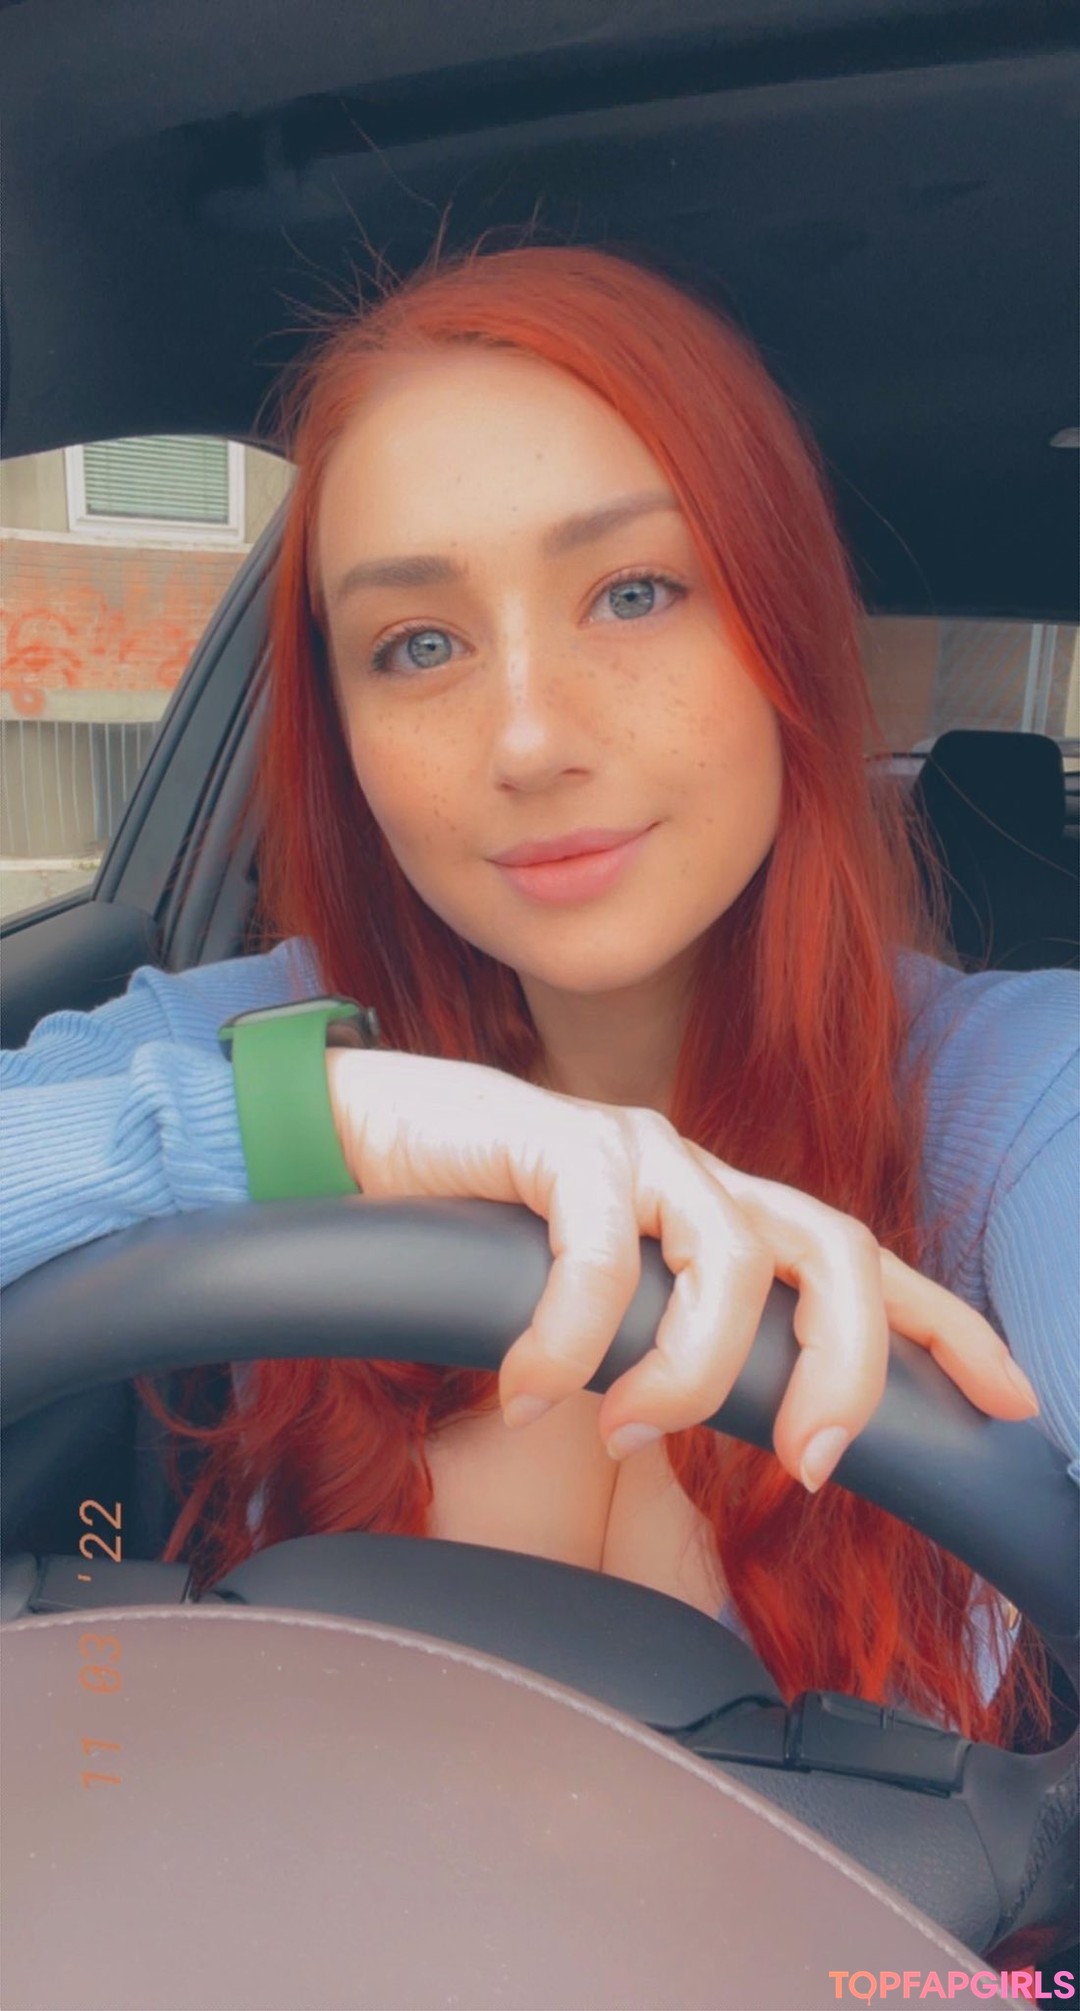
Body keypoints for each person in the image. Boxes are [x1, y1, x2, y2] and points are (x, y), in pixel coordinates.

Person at [3, 243, 1076, 1752]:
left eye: (634, 592)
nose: (526, 739)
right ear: (344, 731)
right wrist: (318, 1123)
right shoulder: (240, 1044)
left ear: (788, 632)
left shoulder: (1015, 1095)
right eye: (418, 645)